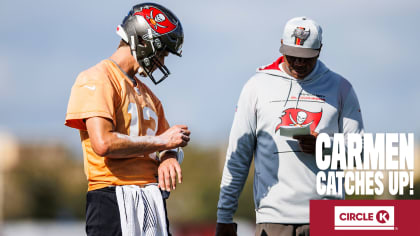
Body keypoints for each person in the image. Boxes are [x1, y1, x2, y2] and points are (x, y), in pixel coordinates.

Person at [216, 16, 364, 236]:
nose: (299, 63)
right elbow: (238, 156)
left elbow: (358, 153)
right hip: (273, 219)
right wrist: (224, 216)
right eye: (292, 56)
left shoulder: (341, 88)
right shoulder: (256, 86)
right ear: (281, 46)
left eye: (307, 58)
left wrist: (324, 145)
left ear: (320, 50)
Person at [64, 3, 189, 236]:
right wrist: (164, 143)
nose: (162, 61)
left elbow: (164, 144)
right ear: (142, 41)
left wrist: (169, 157)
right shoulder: (97, 78)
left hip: (151, 199)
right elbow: (103, 144)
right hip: (112, 197)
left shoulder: (151, 96)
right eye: (161, 52)